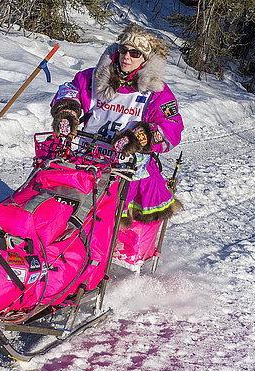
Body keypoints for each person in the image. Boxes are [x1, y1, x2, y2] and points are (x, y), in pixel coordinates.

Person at [50, 23, 183, 226]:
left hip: (128, 167)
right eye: (123, 50)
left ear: (145, 60)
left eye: (135, 53)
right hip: (88, 157)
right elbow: (71, 89)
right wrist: (67, 112)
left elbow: (170, 129)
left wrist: (139, 137)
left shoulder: (156, 93)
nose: (126, 57)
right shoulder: (95, 77)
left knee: (112, 216)